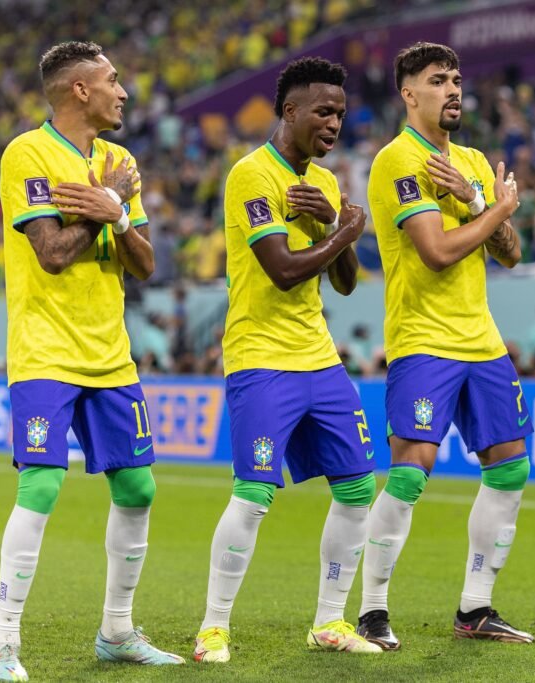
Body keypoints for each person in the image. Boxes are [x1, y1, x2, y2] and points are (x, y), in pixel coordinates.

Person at [0, 41, 182, 681]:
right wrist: (105, 211)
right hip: (46, 349)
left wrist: (116, 212)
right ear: (79, 90)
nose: (123, 92)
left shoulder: (120, 163)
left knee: (139, 487)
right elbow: (50, 253)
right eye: (112, 80)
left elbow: (145, 263)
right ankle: (2, 644)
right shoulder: (28, 153)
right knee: (42, 483)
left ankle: (117, 632)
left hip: (111, 355)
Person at [193, 57, 381, 664]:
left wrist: (334, 224)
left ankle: (330, 620)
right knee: (254, 493)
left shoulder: (323, 183)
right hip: (261, 356)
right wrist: (346, 231)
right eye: (324, 111)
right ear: (290, 110)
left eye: (341, 114)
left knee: (358, 487)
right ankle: (213, 628)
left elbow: (344, 283)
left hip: (319, 356)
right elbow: (281, 269)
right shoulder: (252, 175)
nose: (335, 124)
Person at [357, 42, 532, 649]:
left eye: (456, 79)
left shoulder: (475, 162)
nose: (453, 89)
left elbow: (512, 253)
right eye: (438, 80)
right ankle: (372, 611)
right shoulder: (398, 160)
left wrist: (482, 201)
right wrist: (496, 210)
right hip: (424, 339)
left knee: (511, 467)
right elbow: (435, 252)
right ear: (409, 94)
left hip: (482, 341)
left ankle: (475, 607)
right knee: (410, 473)